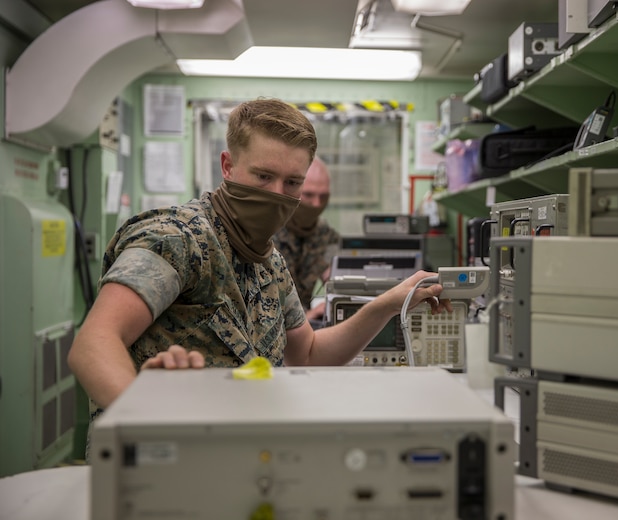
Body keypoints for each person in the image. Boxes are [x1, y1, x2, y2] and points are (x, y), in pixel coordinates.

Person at [67, 98, 450, 426]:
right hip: (157, 461)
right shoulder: (177, 239)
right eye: (263, 176)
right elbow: (95, 342)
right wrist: (142, 416)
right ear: (228, 166)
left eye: (291, 183)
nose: (277, 195)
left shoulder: (269, 262)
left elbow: (310, 354)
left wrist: (390, 301)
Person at [273, 156, 340, 324]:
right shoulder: (266, 230)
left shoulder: (326, 236)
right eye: (309, 195)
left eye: (323, 197)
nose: (316, 204)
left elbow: (334, 275)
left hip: (305, 329)